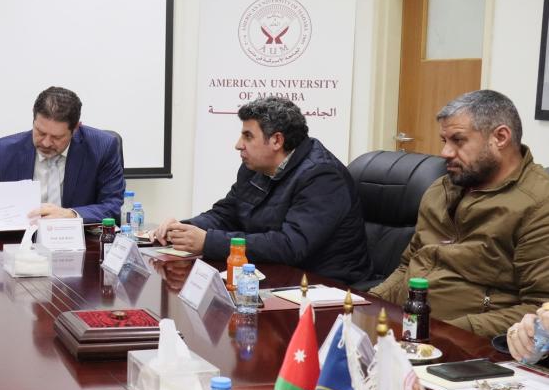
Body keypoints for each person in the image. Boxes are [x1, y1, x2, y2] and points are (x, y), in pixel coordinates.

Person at [372, 90, 549, 337]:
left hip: (470, 345)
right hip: (406, 330)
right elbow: (407, 266)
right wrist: (367, 303)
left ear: (500, 137)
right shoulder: (440, 189)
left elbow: (539, 308)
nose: (445, 152)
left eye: (458, 140)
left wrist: (444, 331)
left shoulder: (539, 203)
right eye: (444, 140)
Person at [153, 96, 371, 284]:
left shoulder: (322, 176)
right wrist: (184, 229)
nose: (238, 144)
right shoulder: (255, 167)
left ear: (276, 140)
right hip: (274, 275)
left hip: (324, 286)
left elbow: (290, 246)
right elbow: (227, 214)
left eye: (248, 136)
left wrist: (209, 242)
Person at [0, 86, 125, 223]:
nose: (46, 143)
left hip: (80, 242)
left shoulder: (101, 147)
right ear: (33, 120)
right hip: (19, 245)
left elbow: (112, 206)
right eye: (40, 132)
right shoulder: (7, 149)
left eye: (57, 137)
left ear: (76, 128)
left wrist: (70, 214)